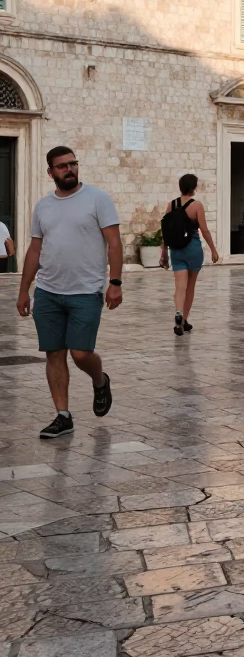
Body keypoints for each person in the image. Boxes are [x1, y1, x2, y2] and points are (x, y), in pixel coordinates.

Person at [16, 146, 119, 439]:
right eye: (62, 166)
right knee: (54, 354)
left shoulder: (98, 199)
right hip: (48, 291)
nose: (69, 169)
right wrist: (24, 290)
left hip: (86, 291)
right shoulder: (43, 206)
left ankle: (100, 380)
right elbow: (35, 249)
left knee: (81, 353)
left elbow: (114, 243)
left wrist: (116, 282)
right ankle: (63, 416)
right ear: (51, 173)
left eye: (73, 163)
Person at [158, 173, 220, 335]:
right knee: (190, 286)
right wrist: (213, 249)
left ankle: (178, 313)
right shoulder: (197, 205)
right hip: (192, 247)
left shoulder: (172, 205)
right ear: (193, 188)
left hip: (176, 249)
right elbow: (204, 229)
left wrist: (164, 251)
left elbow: (166, 230)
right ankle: (184, 319)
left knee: (180, 287)